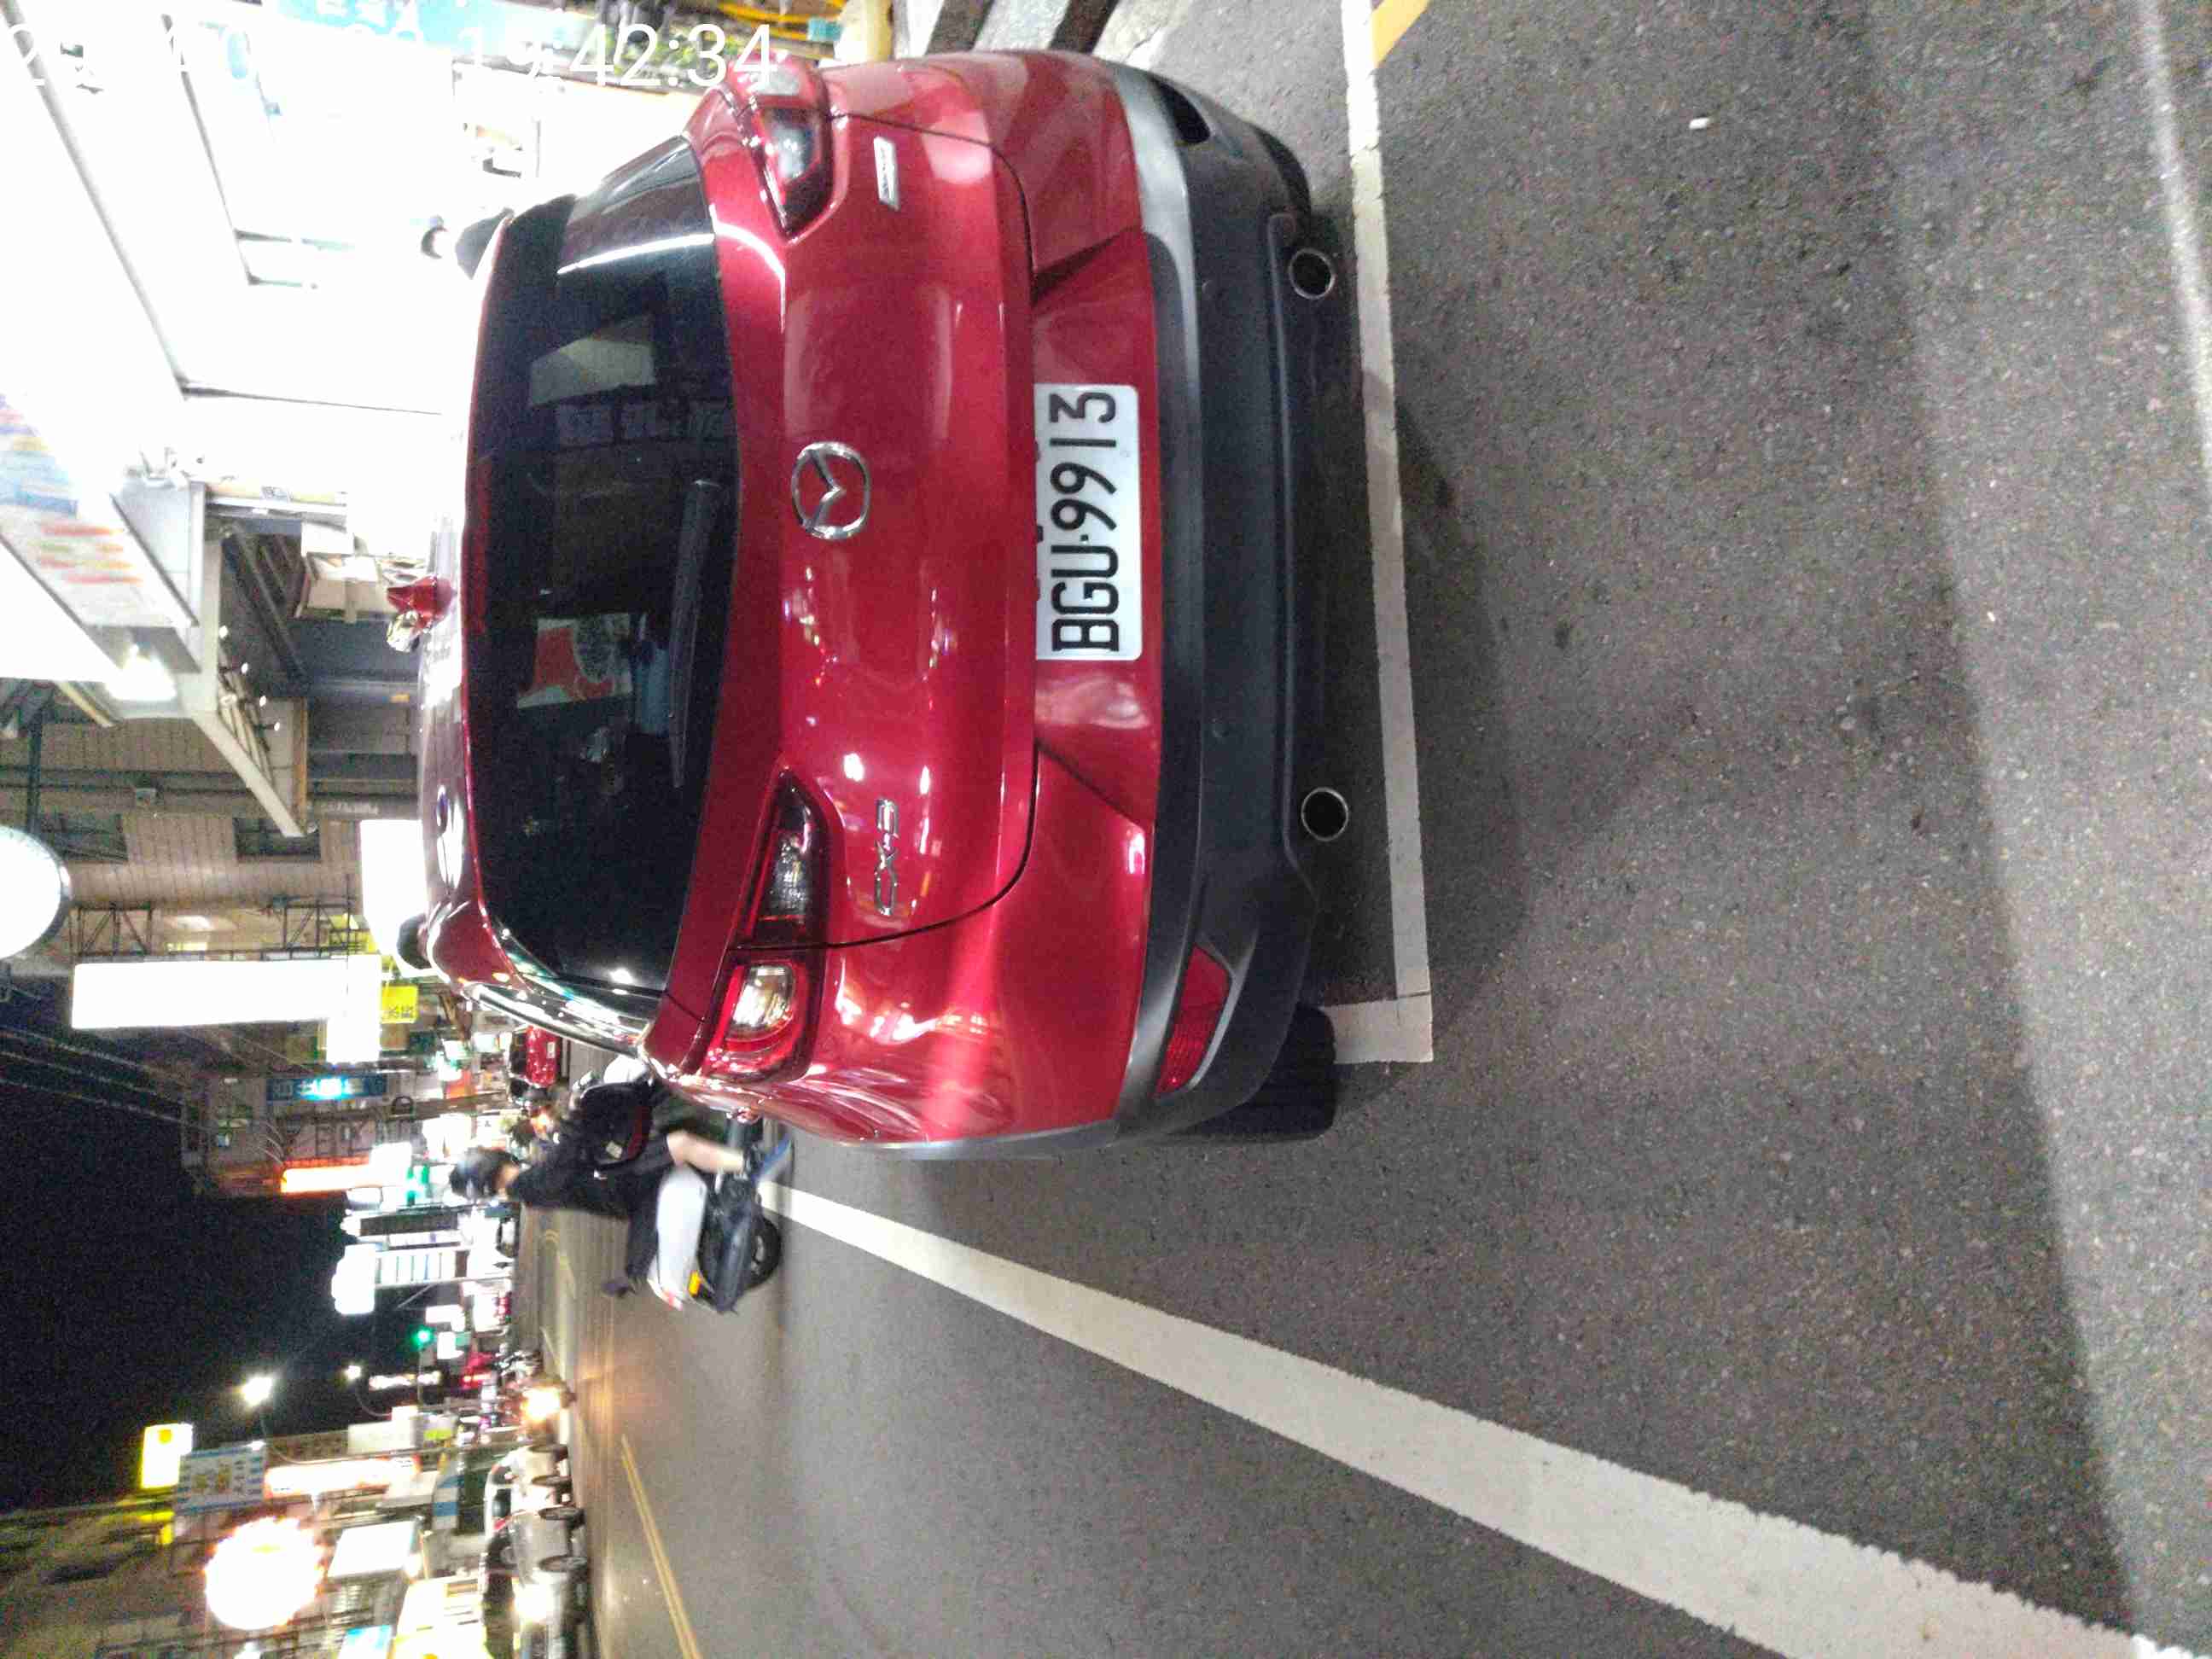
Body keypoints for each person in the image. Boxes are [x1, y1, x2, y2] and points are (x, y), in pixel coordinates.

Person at [449, 1077, 751, 1220]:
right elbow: (562, 1165)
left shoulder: (526, 1180)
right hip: (621, 1185)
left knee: (648, 1103)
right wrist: (573, 1123)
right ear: (485, 1166)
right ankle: (749, 1163)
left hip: (610, 1172)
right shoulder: (528, 1187)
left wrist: (569, 1118)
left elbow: (561, 1156)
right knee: (680, 1144)